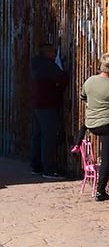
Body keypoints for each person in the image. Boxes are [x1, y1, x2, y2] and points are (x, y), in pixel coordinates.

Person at [71, 53, 109, 201]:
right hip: (108, 124)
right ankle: (101, 190)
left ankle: (76, 144)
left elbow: (83, 97)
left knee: (92, 128)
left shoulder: (89, 81)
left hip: (91, 124)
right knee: (106, 158)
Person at [30, 43, 68, 179]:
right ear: (47, 53)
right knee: (49, 137)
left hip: (37, 104)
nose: (54, 54)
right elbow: (63, 78)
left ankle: (36, 166)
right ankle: (49, 169)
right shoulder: (48, 66)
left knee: (38, 135)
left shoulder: (36, 64)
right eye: (53, 52)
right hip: (48, 104)